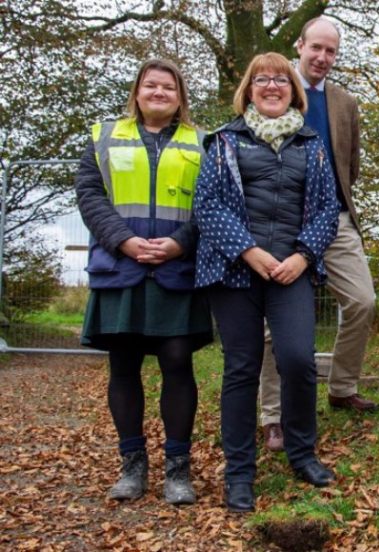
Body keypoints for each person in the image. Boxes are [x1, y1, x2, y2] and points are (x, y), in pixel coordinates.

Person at [193, 52, 340, 512]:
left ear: (293, 90)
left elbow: (326, 209)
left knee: (298, 360)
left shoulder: (311, 143)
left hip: (290, 271)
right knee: (242, 368)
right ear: (249, 90)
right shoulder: (224, 141)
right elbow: (208, 206)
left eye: (281, 79)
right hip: (235, 270)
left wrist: (302, 256)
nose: (272, 86)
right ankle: (240, 473)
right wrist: (250, 251)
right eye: (262, 80)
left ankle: (301, 453)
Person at [76, 59, 211, 505]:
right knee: (124, 364)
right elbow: (90, 196)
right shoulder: (104, 136)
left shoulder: (202, 142)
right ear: (136, 92)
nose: (159, 92)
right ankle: (132, 467)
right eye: (150, 85)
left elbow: (213, 202)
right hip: (121, 267)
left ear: (180, 96)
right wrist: (125, 240)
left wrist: (179, 243)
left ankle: (178, 470)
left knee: (177, 360)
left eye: (168, 87)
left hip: (177, 266)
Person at [258, 16, 378, 454]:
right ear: (300, 45)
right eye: (316, 49)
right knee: (278, 325)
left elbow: (353, 165)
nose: (323, 58)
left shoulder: (344, 102)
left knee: (363, 301)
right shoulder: (275, 89)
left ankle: (341, 386)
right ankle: (272, 416)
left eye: (331, 51)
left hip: (337, 218)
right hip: (283, 223)